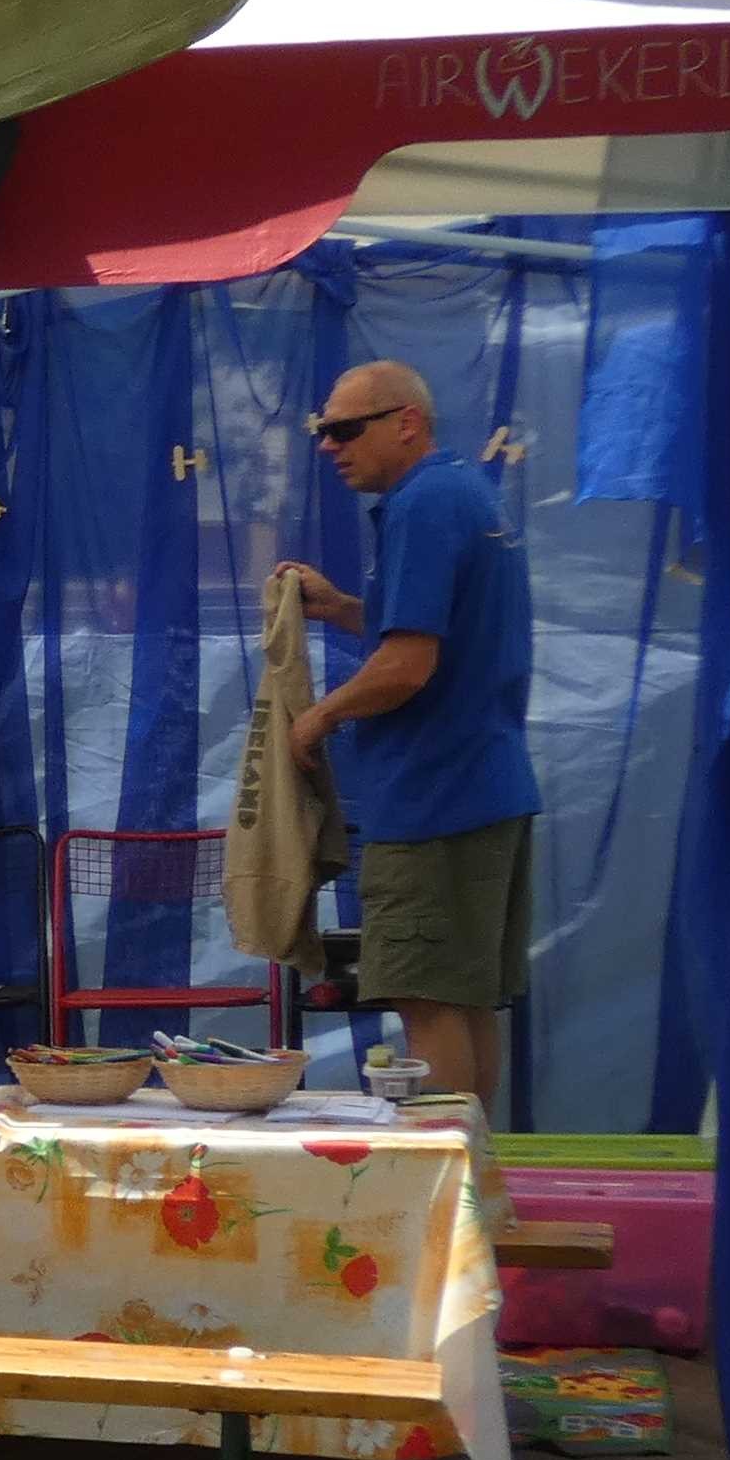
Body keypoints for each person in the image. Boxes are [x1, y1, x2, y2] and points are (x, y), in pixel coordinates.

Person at [279, 360, 539, 1112]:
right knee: (465, 997)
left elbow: (407, 667)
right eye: (323, 430)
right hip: (486, 787)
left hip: (435, 797)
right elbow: (434, 636)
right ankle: (476, 1170)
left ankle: (446, 1176)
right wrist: (343, 608)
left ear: (407, 423)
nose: (328, 445)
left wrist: (320, 715)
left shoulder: (421, 504)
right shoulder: (464, 493)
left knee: (426, 999)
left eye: (344, 429)